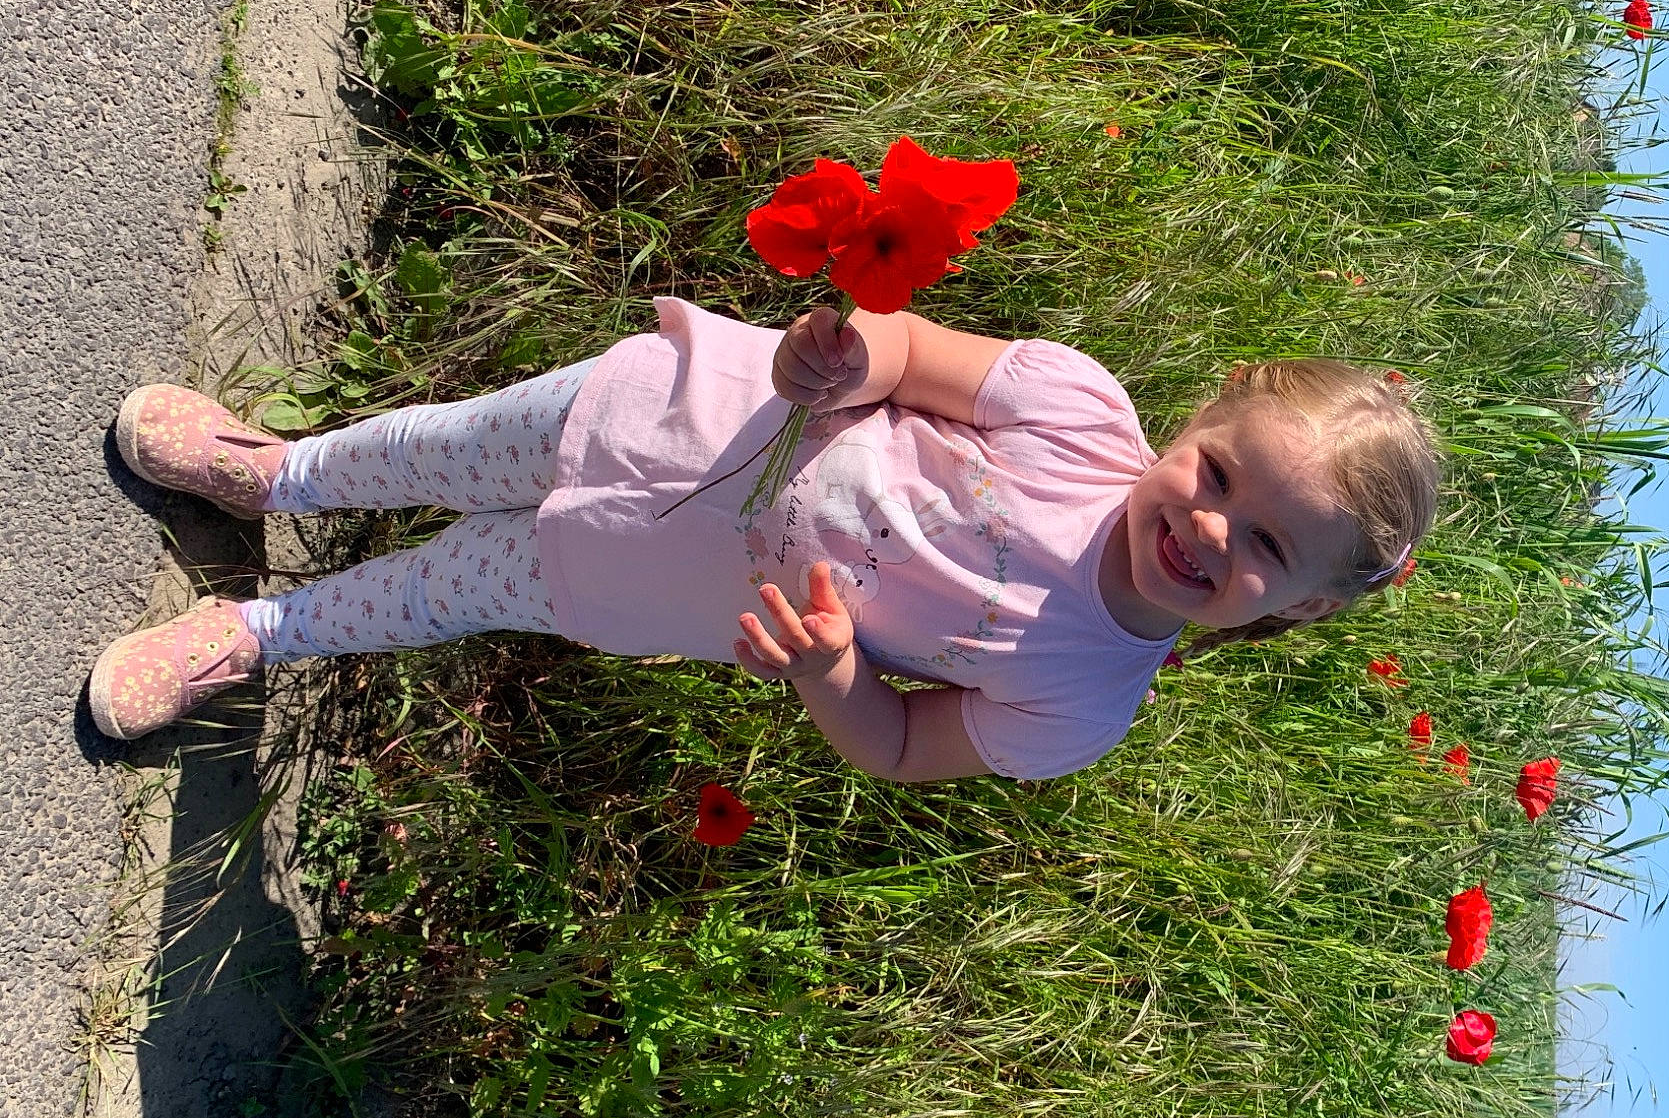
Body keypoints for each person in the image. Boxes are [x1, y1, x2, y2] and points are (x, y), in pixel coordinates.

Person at [88, 297, 1439, 783]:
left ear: (1301, 609)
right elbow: (911, 352)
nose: (1207, 526)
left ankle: (257, 631)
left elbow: (909, 748)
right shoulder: (1079, 410)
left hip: (652, 580)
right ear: (1200, 414)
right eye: (1215, 472)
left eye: (1262, 545)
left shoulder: (1082, 698)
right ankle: (275, 477)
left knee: (448, 588)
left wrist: (834, 679)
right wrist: (845, 364)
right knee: (431, 446)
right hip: (673, 413)